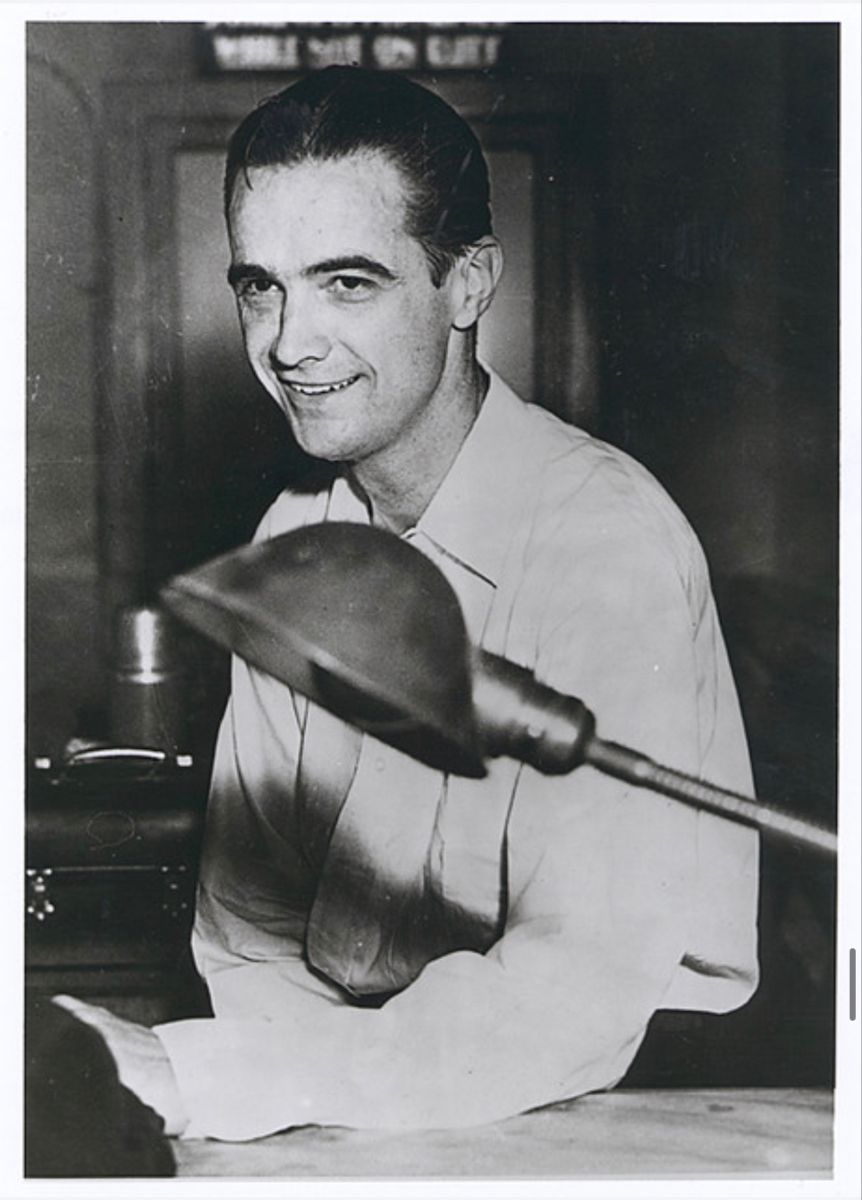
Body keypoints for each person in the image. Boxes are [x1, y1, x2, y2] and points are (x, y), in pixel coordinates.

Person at [55, 65, 759, 1142]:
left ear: (468, 284)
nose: (289, 343)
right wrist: (295, 1099)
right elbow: (249, 930)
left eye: (348, 283)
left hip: (607, 1107)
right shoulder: (295, 535)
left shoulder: (602, 539)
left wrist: (227, 1080)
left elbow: (574, 991)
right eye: (260, 286)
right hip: (358, 1101)